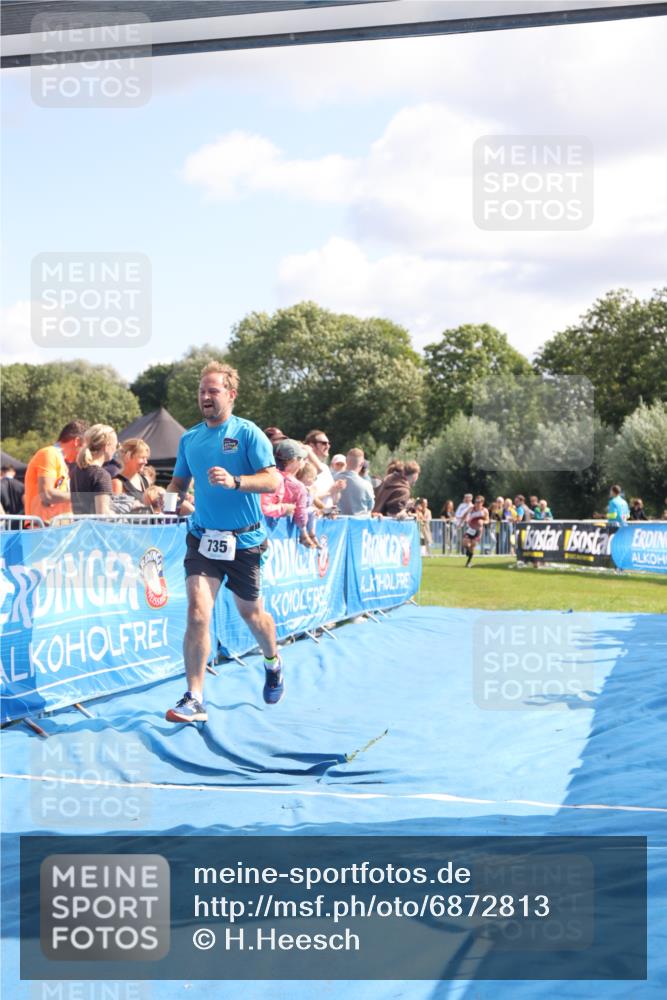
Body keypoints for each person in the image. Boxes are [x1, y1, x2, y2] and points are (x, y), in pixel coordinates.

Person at [165, 361, 284, 724]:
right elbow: (178, 484)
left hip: (245, 540)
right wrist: (166, 500)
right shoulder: (190, 438)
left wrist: (235, 481)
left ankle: (272, 661)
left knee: (252, 615)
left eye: (213, 391)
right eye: (201, 391)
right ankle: (194, 698)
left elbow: (272, 481)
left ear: (230, 394)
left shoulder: (247, 434)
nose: (205, 397)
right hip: (202, 538)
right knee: (198, 612)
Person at [24, 420, 88, 525]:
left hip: (52, 528)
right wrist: (82, 497)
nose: (85, 453)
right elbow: (47, 494)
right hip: (42, 528)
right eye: (84, 448)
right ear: (76, 441)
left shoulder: (60, 460)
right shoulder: (49, 453)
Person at [274, 438, 317, 548]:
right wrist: (303, 532)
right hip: (278, 535)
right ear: (294, 460)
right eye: (301, 458)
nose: (303, 461)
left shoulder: (267, 476)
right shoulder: (298, 487)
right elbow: (300, 514)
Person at [70, 425, 118, 515]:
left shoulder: (77, 470)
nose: (115, 449)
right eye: (116, 445)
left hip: (80, 527)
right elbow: (103, 514)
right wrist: (118, 515)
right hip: (95, 528)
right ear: (106, 446)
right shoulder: (101, 475)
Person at [304, 429, 345, 510]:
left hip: (327, 518)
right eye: (324, 443)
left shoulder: (325, 468)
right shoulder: (304, 468)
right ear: (311, 446)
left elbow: (334, 500)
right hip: (313, 517)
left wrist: (337, 489)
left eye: (329, 443)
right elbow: (307, 498)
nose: (328, 446)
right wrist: (330, 492)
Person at [334, 448, 375, 516]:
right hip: (360, 524)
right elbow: (370, 506)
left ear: (346, 461)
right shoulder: (366, 485)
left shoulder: (333, 479)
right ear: (362, 464)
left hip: (338, 524)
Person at [112, 438, 151, 503]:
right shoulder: (117, 483)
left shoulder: (145, 481)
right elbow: (116, 510)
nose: (145, 462)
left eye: (146, 458)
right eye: (142, 457)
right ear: (128, 456)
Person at [463, 495, 489, 567]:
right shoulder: (472, 509)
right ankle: (468, 552)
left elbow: (487, 520)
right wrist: (466, 519)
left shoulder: (484, 510)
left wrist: (483, 522)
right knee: (465, 543)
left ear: (482, 503)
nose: (477, 503)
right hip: (470, 528)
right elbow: (465, 515)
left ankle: (469, 562)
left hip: (478, 530)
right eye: (476, 502)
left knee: (473, 545)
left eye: (478, 502)